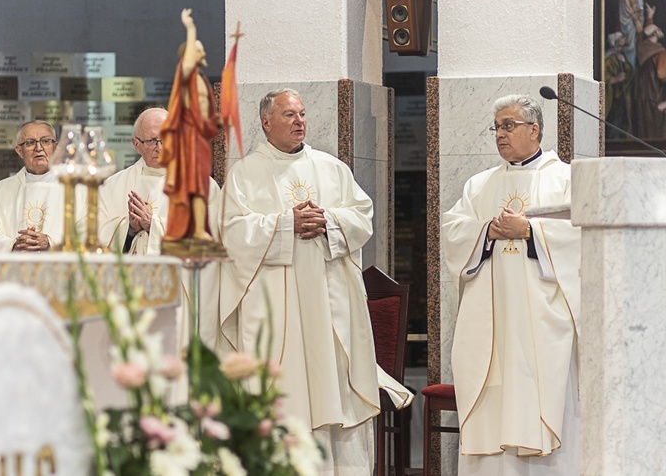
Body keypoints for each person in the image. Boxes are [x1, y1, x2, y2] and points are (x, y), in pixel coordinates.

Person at [219, 89, 411, 474]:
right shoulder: (244, 173)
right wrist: (285, 223)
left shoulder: (332, 168)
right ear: (266, 122)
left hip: (331, 304)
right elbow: (231, 233)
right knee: (286, 398)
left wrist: (329, 221)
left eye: (302, 114)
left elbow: (362, 218)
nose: (299, 121)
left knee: (336, 391)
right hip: (277, 309)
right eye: (289, 114)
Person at [442, 95, 581, 474]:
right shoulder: (479, 185)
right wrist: (487, 230)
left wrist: (531, 231)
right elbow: (453, 233)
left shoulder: (567, 179)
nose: (500, 135)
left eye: (509, 125)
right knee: (493, 402)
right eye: (497, 127)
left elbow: (584, 238)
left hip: (542, 320)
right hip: (491, 322)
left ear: (534, 129)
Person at [97, 107, 221, 255]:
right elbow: (91, 235)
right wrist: (129, 229)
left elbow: (209, 239)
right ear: (136, 144)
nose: (160, 148)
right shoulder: (112, 186)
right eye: (152, 141)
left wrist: (153, 225)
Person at [159, 8, 219, 243]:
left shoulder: (202, 81)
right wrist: (191, 29)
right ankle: (190, 230)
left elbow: (206, 117)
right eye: (198, 49)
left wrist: (217, 122)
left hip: (200, 140)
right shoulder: (186, 78)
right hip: (187, 142)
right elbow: (186, 63)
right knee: (190, 186)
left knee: (201, 186)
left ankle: (198, 229)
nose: (203, 52)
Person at [0, 120, 65, 252]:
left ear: (55, 147)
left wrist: (51, 242)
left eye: (45, 141)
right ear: (19, 151)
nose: (39, 148)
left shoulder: (76, 189)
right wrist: (13, 244)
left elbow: (89, 234)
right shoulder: (0, 191)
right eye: (30, 143)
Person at [635, 5, 666, 139]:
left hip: (642, 92)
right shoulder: (660, 51)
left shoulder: (641, 47)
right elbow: (662, 75)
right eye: (657, 29)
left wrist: (649, 17)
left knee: (645, 121)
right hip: (655, 92)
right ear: (655, 34)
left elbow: (644, 35)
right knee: (657, 123)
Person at [604, 31, 634, 138]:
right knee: (614, 120)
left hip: (622, 95)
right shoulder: (608, 59)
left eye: (622, 46)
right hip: (612, 97)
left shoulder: (621, 57)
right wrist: (616, 79)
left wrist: (624, 63)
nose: (620, 48)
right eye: (619, 45)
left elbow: (630, 73)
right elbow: (604, 78)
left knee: (623, 120)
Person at [619, 0, 644, 69]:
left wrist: (640, 18)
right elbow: (628, 8)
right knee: (630, 46)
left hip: (638, 20)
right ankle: (630, 68)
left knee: (638, 43)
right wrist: (636, 21)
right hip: (628, 22)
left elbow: (641, 5)